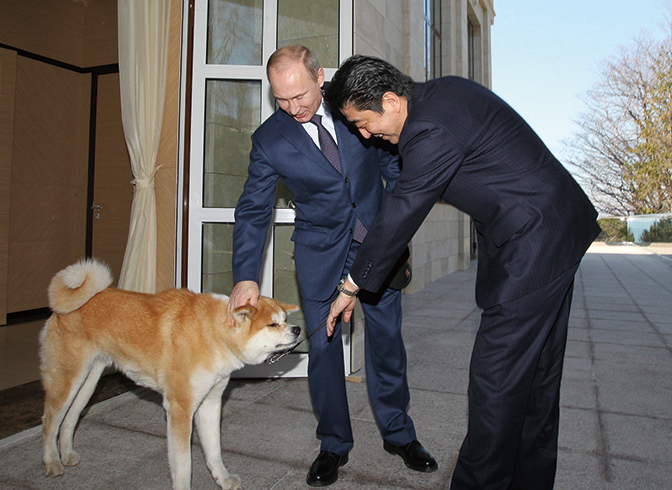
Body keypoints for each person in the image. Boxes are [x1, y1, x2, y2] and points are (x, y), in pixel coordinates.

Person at [325, 55, 601, 490]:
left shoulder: (428, 129)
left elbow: (403, 207)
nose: (364, 134)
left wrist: (352, 284)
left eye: (362, 122)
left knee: (495, 384)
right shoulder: (441, 95)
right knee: (536, 380)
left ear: (390, 101)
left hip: (534, 242)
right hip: (553, 230)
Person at [228, 46, 437, 487]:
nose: (293, 107)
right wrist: (246, 275)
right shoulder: (269, 139)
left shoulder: (350, 108)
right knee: (323, 349)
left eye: (300, 95)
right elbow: (253, 209)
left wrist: (395, 218)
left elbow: (391, 159)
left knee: (386, 339)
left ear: (320, 77)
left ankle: (399, 433)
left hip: (375, 244)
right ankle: (333, 443)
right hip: (321, 252)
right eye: (281, 99)